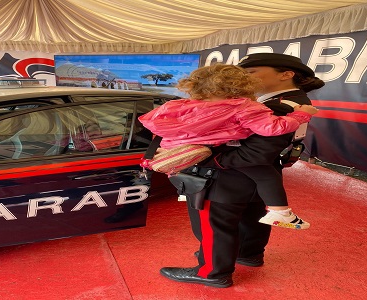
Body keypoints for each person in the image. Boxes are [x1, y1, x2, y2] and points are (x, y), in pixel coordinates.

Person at [158, 53, 325, 288]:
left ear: (286, 75)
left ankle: (210, 272)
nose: (241, 77)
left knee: (215, 226)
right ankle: (248, 254)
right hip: (253, 178)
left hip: (227, 177)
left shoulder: (275, 107)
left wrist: (205, 157)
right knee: (250, 219)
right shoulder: (287, 101)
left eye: (250, 72)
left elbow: (256, 153)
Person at [139, 63, 317, 230]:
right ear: (242, 86)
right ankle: (280, 212)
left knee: (206, 225)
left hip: (177, 148)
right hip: (218, 151)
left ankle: (182, 184)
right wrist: (302, 114)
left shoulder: (178, 105)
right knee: (266, 175)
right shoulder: (244, 107)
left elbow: (156, 124)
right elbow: (274, 127)